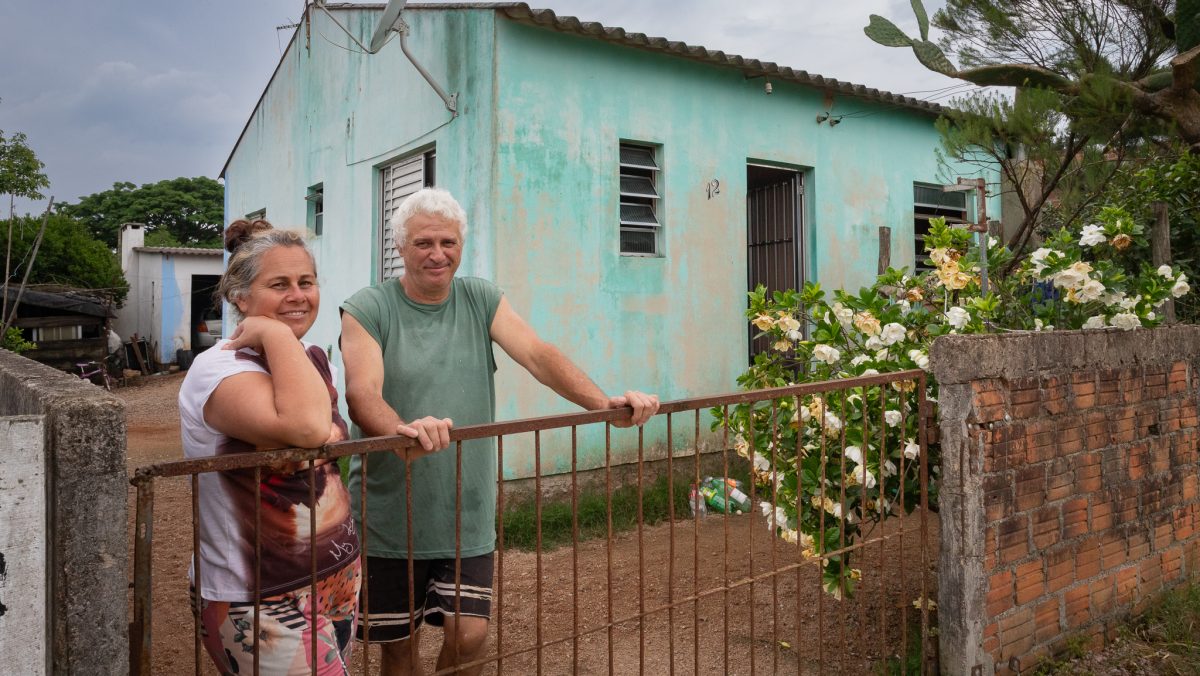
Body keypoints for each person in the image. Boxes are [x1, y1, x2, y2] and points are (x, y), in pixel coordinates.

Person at [340, 187, 660, 675]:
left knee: (469, 637)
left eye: (448, 242)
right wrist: (402, 433)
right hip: (389, 514)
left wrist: (602, 403)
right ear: (400, 248)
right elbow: (362, 393)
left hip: (464, 511)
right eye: (423, 243)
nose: (437, 254)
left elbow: (537, 353)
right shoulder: (367, 307)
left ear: (461, 246)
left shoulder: (480, 298)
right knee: (398, 647)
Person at [179, 219, 361, 675]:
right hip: (257, 595)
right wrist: (277, 334)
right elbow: (307, 427)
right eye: (279, 284)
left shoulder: (315, 360)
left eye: (307, 282)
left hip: (335, 573)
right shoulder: (216, 369)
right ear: (240, 297)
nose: (298, 295)